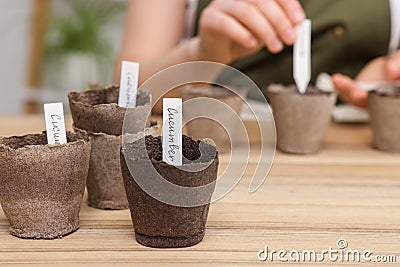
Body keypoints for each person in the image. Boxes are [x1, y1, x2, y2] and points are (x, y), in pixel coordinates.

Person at [115, 0, 400, 108]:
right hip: (220, 148)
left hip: (355, 161)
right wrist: (204, 52)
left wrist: (386, 73)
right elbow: (126, 91)